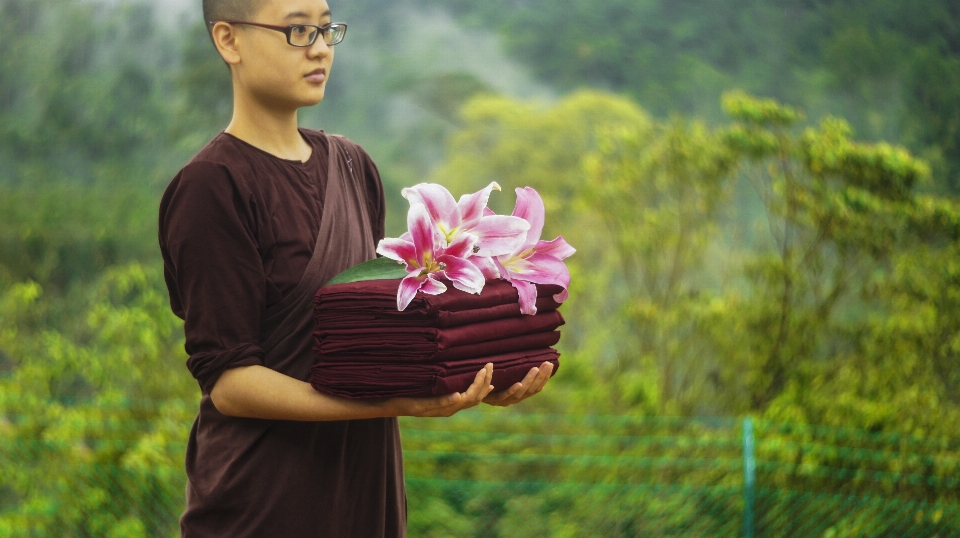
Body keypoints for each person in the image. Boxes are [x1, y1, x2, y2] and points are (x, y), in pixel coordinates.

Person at [158, 0, 556, 536]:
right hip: (262, 504)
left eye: (325, 29)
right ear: (229, 40)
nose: (320, 47)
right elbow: (230, 382)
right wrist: (396, 402)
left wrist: (482, 369)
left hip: (368, 498)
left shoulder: (352, 166)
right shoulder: (213, 187)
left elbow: (372, 335)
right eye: (297, 30)